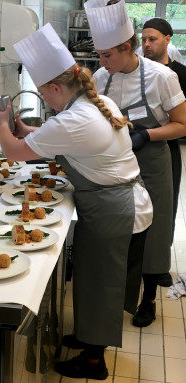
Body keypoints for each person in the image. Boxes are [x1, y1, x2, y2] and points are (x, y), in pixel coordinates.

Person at [0, 22, 153, 380]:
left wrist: (3, 123)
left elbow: (15, 153)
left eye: (43, 93)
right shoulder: (92, 104)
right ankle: (86, 337)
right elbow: (60, 138)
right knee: (93, 281)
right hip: (119, 202)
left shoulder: (75, 118)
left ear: (54, 87)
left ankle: (94, 362)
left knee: (100, 286)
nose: (44, 99)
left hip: (114, 209)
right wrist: (29, 131)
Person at [84, 0, 186, 328]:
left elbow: (183, 124)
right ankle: (116, 298)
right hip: (114, 163)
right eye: (99, 56)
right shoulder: (102, 77)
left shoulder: (162, 76)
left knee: (154, 234)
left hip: (153, 162)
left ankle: (149, 299)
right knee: (119, 232)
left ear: (127, 48)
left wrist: (148, 136)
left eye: (107, 55)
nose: (101, 63)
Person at [141, 17, 186, 287]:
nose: (146, 44)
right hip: (134, 150)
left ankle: (157, 265)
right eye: (143, 39)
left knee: (164, 208)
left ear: (168, 39)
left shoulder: (180, 73)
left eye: (153, 39)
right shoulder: (136, 73)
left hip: (166, 149)